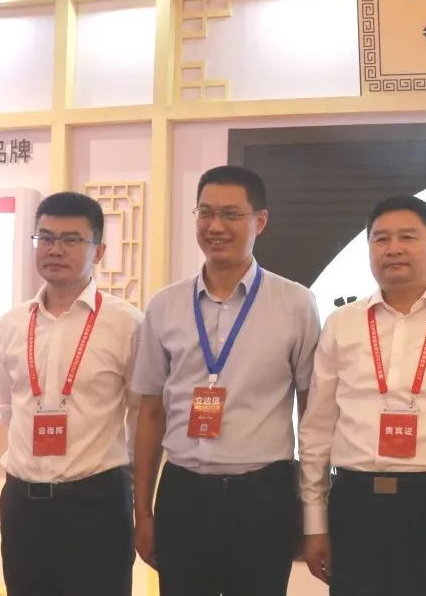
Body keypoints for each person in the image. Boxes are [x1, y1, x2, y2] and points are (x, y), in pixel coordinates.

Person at [131, 165, 320, 595]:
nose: (215, 226)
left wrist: (314, 515)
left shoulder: (296, 303)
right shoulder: (164, 306)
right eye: (206, 213)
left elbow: (312, 415)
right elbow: (150, 414)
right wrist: (143, 513)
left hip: (263, 494)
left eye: (231, 214)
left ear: (260, 221)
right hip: (183, 492)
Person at [299, 194, 426, 596]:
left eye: (407, 237)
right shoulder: (342, 324)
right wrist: (315, 523)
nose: (393, 249)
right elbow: (316, 430)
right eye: (381, 239)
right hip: (354, 505)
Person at [0, 191, 142, 595]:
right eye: (45, 238)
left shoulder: (128, 324)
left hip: (95, 502)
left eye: (71, 239)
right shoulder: (10, 324)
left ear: (99, 251)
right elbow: (10, 407)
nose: (55, 249)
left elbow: (140, 416)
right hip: (22, 503)